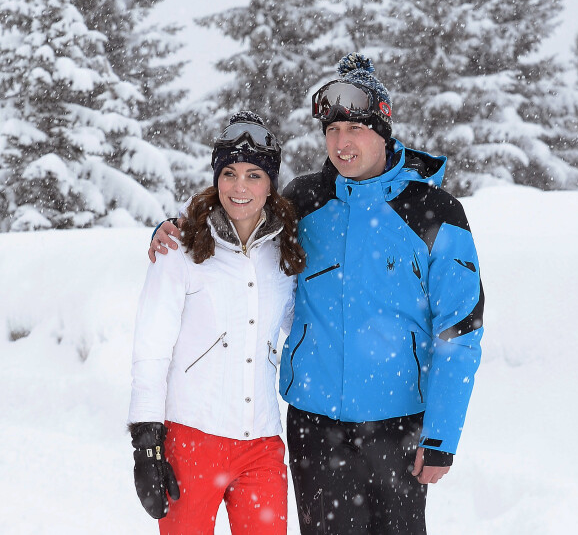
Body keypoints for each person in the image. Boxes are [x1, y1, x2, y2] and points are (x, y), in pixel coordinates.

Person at [150, 52, 484, 535]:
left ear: (384, 130)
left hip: (399, 427)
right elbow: (240, 213)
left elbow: (460, 330)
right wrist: (177, 227)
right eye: (331, 131)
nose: (341, 143)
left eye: (355, 129)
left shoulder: (434, 212)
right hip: (314, 426)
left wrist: (441, 436)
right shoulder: (305, 201)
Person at [129, 110, 306, 535]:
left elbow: (299, 326)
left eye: (253, 175)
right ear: (216, 179)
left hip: (262, 444)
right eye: (229, 173)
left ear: (270, 184)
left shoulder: (284, 252)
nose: (239, 187)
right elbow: (151, 348)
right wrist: (147, 442)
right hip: (192, 440)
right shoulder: (180, 246)